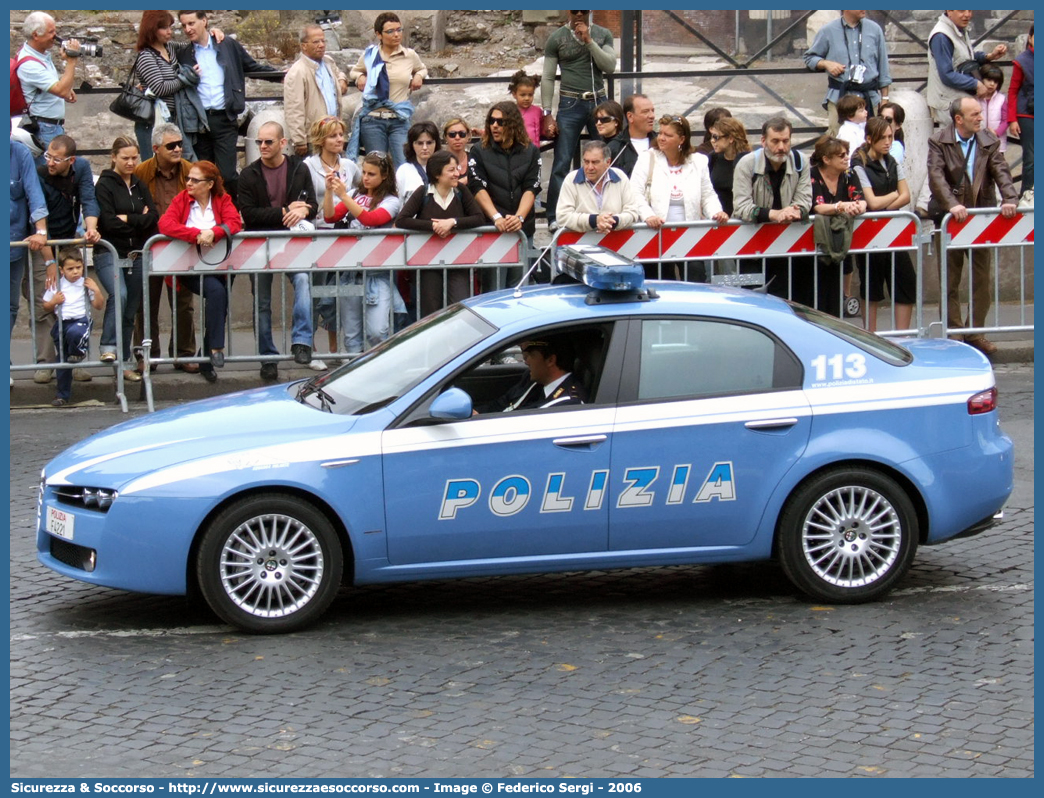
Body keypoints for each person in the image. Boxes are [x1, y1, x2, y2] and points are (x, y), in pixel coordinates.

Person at [928, 97, 1019, 354]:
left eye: (980, 113)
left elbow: (1001, 171)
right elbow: (936, 176)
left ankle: (975, 333)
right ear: (959, 119)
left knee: (982, 281)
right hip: (951, 219)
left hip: (980, 218)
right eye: (975, 114)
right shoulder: (939, 140)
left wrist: (1010, 199)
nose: (981, 117)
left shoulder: (988, 140)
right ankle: (955, 335)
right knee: (950, 280)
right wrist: (951, 204)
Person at [237, 121, 318, 381]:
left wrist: (304, 210)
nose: (262, 146)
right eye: (259, 141)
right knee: (261, 302)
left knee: (303, 281)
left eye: (268, 142)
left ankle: (302, 342)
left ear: (283, 143)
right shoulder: (248, 174)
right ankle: (267, 358)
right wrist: (285, 211)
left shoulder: (299, 168)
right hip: (259, 245)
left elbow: (312, 205)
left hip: (292, 244)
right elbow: (249, 215)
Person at [176, 10, 281, 193]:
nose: (187, 29)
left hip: (224, 118)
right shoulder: (183, 53)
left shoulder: (227, 45)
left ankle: (232, 214)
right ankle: (207, 217)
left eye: (191, 23)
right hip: (199, 122)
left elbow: (251, 66)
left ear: (204, 21)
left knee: (228, 174)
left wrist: (279, 76)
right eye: (184, 25)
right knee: (202, 174)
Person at [158, 160, 241, 383]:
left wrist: (214, 232)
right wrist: (195, 234)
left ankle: (206, 361)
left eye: (195, 180)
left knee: (219, 300)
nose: (189, 183)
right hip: (189, 268)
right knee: (216, 293)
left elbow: (234, 222)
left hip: (219, 266)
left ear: (210, 184)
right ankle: (215, 349)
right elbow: (165, 224)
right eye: (188, 179)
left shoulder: (222, 199)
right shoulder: (182, 199)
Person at [26, 134, 99, 385]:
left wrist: (91, 228)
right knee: (45, 299)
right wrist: (48, 263)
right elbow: (36, 213)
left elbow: (89, 199)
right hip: (42, 240)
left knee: (75, 301)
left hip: (69, 240)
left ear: (71, 160)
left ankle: (74, 359)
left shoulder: (82, 169)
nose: (50, 163)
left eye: (57, 159)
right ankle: (46, 363)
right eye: (48, 156)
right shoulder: (37, 170)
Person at [541, 10, 617, 230]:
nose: (580, 15)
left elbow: (609, 66)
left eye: (584, 10)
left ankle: (605, 210)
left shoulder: (602, 34)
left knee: (606, 158)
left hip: (598, 101)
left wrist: (590, 41)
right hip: (570, 102)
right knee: (562, 161)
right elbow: (547, 76)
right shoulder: (557, 38)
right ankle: (555, 216)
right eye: (575, 10)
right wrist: (547, 113)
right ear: (569, 12)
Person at [631, 115, 729, 281]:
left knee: (695, 279)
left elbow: (707, 194)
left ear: (682, 139)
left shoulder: (698, 161)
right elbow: (635, 194)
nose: (661, 138)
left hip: (689, 237)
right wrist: (649, 216)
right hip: (655, 237)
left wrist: (717, 212)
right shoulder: (646, 158)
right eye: (660, 133)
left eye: (668, 135)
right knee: (661, 283)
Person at [134, 123, 197, 374]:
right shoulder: (141, 172)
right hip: (149, 245)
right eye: (171, 145)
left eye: (180, 143)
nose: (178, 148)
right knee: (145, 303)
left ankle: (184, 353)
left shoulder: (190, 171)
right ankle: (146, 354)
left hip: (181, 246)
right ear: (156, 148)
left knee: (183, 302)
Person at [94, 136, 159, 383]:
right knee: (118, 295)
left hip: (136, 253)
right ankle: (107, 346)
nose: (131, 162)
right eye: (125, 158)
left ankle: (123, 363)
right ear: (114, 157)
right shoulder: (104, 185)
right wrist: (136, 220)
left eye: (134, 158)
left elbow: (152, 217)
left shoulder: (140, 185)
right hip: (109, 252)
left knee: (130, 309)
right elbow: (107, 222)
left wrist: (127, 219)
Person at [323, 151, 401, 354]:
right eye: (364, 172)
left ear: (384, 176)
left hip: (376, 275)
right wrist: (330, 192)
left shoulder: (392, 200)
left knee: (377, 331)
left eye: (371, 174)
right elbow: (329, 217)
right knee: (351, 338)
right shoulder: (356, 195)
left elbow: (371, 219)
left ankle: (380, 370)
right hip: (350, 274)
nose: (365, 178)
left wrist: (342, 196)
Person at [395, 149, 487, 317]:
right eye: (451, 170)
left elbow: (479, 218)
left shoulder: (461, 191)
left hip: (459, 263)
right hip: (428, 265)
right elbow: (402, 219)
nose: (456, 174)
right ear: (437, 174)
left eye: (457, 169)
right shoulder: (422, 192)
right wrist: (433, 226)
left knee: (460, 310)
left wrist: (453, 222)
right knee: (431, 312)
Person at [732, 117, 812, 302]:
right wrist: (776, 214)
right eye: (775, 141)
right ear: (763, 141)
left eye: (786, 141)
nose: (781, 147)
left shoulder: (800, 162)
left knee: (789, 301)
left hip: (789, 247)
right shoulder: (747, 164)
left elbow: (806, 199)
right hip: (751, 247)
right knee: (753, 301)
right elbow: (741, 206)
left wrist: (796, 211)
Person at [304, 115, 361, 369]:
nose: (340, 139)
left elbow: (363, 190)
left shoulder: (350, 166)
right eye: (333, 135)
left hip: (346, 235)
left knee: (342, 292)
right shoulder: (308, 165)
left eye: (341, 134)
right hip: (319, 235)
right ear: (321, 140)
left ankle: (337, 349)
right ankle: (313, 349)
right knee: (317, 293)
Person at [852, 118, 916, 332]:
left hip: (892, 227)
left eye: (891, 136)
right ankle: (870, 336)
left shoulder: (891, 161)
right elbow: (872, 202)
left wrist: (885, 206)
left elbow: (906, 195)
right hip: (869, 230)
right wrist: (892, 195)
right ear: (870, 139)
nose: (889, 142)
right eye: (883, 138)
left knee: (906, 281)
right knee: (871, 285)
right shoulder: (859, 163)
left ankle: (902, 336)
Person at [468, 102, 542, 283]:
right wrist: (496, 218)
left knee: (520, 289)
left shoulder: (531, 151)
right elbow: (477, 187)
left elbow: (531, 188)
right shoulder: (478, 151)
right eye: (491, 121)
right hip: (492, 229)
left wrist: (519, 218)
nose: (494, 125)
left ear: (513, 124)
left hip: (522, 229)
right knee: (494, 290)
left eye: (500, 122)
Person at [348, 13, 428, 170]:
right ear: (379, 34)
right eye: (390, 31)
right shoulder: (370, 55)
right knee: (377, 167)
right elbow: (355, 71)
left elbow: (422, 68)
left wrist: (419, 75)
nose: (396, 34)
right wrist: (359, 77)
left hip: (399, 118)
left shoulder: (409, 55)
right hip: (373, 120)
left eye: (399, 29)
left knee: (405, 165)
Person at [804, 10, 891, 134]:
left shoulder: (875, 30)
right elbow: (809, 58)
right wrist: (826, 63)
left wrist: (885, 99)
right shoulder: (828, 31)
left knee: (870, 142)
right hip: (840, 99)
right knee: (838, 145)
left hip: (870, 100)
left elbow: (883, 67)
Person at [131, 11, 201, 161]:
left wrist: (214, 32)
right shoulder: (146, 56)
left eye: (170, 27)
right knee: (154, 166)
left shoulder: (169, 48)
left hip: (173, 118)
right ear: (152, 29)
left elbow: (194, 44)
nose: (169, 31)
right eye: (164, 28)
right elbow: (160, 88)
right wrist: (185, 79)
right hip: (152, 121)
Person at [809, 136, 866, 318]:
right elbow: (817, 206)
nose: (846, 158)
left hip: (841, 239)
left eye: (847, 154)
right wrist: (840, 206)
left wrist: (858, 206)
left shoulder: (849, 174)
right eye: (841, 155)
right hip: (816, 243)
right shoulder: (812, 175)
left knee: (835, 293)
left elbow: (861, 199)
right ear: (826, 159)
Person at [41, 248, 105, 406]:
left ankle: (78, 352)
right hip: (62, 322)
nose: (75, 272)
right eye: (70, 269)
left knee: (75, 333)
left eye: (78, 267)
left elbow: (98, 305)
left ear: (83, 266)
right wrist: (53, 301)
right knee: (63, 361)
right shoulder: (57, 284)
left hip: (80, 321)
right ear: (62, 270)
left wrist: (96, 290)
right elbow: (45, 306)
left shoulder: (86, 283)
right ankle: (62, 395)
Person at [556, 140, 658, 236]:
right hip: (579, 247)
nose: (590, 167)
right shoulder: (571, 179)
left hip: (618, 246)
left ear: (608, 162)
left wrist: (613, 221)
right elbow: (563, 217)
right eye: (586, 162)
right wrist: (594, 220)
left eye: (595, 162)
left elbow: (632, 212)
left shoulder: (620, 177)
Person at [10, 137, 49, 387]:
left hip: (14, 245)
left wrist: (41, 231)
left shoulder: (20, 153)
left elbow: (34, 194)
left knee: (9, 307)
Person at [14, 12, 81, 153]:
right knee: (51, 171)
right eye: (51, 32)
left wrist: (66, 88)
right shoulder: (30, 64)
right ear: (35, 35)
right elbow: (61, 91)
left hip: (50, 126)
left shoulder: (39, 54)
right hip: (44, 128)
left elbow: (54, 86)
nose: (55, 36)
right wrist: (71, 61)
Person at [927, 10, 1008, 124]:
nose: (967, 15)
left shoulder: (957, 28)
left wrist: (989, 56)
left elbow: (964, 56)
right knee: (954, 139)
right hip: (949, 103)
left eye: (970, 10)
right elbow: (946, 74)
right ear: (949, 11)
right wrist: (976, 84)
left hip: (959, 99)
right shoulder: (941, 36)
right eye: (961, 10)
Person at [283, 23, 350, 158]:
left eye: (323, 40)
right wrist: (300, 140)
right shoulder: (297, 72)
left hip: (333, 132)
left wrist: (342, 80)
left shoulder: (328, 62)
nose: (321, 45)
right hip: (314, 138)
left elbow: (339, 73)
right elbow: (294, 109)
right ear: (304, 45)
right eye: (316, 42)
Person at [477, 337, 586, 413]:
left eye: (529, 355)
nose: (525, 361)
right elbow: (500, 404)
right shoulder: (532, 380)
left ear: (550, 360)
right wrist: (476, 414)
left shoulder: (567, 404)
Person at [1007, 24, 1033, 196]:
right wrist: (1012, 119)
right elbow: (1013, 90)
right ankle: (1028, 194)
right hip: (1027, 114)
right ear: (1030, 38)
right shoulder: (1022, 61)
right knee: (1031, 158)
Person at [707, 116, 751, 217]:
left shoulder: (747, 161)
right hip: (716, 218)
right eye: (712, 136)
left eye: (716, 137)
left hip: (741, 219)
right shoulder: (713, 158)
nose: (712, 141)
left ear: (731, 138)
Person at [613, 94, 657, 178]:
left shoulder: (662, 144)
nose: (652, 116)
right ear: (630, 116)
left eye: (652, 111)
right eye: (645, 111)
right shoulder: (615, 148)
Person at [396, 121, 441, 201]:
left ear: (436, 144)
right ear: (412, 145)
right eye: (420, 143)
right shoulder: (403, 171)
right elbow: (397, 201)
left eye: (429, 143)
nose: (424, 147)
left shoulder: (444, 168)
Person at [509, 70, 544, 149]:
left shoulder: (537, 111)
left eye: (530, 95)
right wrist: (481, 132)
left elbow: (542, 129)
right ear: (514, 94)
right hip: (516, 151)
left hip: (534, 152)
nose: (527, 98)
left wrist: (550, 130)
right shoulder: (510, 111)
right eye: (523, 95)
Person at [978, 64, 1008, 153]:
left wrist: (996, 133)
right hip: (978, 142)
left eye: (995, 82)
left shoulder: (1001, 99)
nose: (992, 84)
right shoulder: (975, 98)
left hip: (997, 143)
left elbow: (1005, 120)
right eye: (989, 80)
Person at [835, 94, 868, 163]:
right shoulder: (847, 133)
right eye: (861, 111)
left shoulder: (860, 124)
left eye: (865, 109)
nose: (866, 112)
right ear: (850, 116)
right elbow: (851, 156)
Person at [593, 100, 628, 166]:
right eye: (596, 120)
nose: (599, 123)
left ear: (616, 122)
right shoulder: (599, 145)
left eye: (605, 119)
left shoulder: (624, 145)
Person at [442, 117, 473, 188]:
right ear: (445, 137)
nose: (457, 137)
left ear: (468, 136)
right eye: (452, 134)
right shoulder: (439, 161)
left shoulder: (474, 159)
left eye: (462, 134)